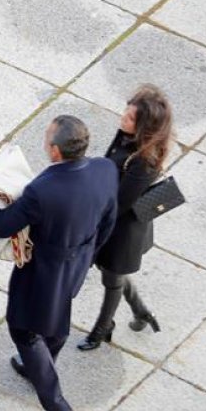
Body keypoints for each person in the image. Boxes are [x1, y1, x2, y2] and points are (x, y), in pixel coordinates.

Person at [0, 115, 117, 411]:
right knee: (56, 319)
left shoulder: (42, 189)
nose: (44, 144)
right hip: (77, 262)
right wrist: (87, 255)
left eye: (47, 140)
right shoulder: (105, 169)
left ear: (56, 151)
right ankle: (40, 366)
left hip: (43, 273)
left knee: (24, 331)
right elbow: (108, 219)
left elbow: (0, 226)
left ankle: (59, 408)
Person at [78, 85, 172, 350]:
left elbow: (119, 204)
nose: (122, 119)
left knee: (112, 278)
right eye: (125, 113)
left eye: (129, 118)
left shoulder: (145, 161)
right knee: (112, 273)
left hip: (123, 231)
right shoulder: (127, 138)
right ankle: (141, 310)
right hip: (112, 220)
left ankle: (103, 327)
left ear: (143, 126)